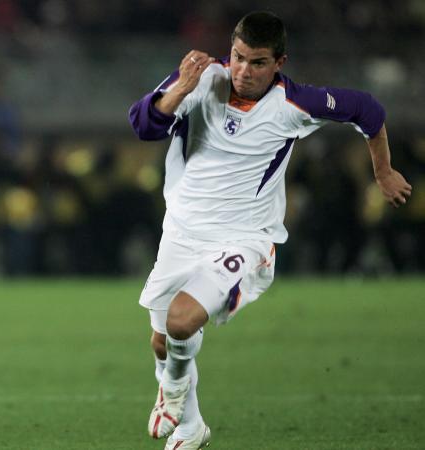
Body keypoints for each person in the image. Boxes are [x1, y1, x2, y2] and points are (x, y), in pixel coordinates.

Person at [128, 11, 411, 450]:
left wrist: (384, 171)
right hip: (181, 234)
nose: (244, 70)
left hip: (244, 240)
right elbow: (144, 126)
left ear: (279, 63)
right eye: (238, 57)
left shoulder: (294, 104)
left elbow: (367, 110)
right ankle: (190, 428)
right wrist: (181, 88)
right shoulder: (202, 78)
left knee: (181, 322)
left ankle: (174, 388)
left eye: (257, 62)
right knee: (161, 342)